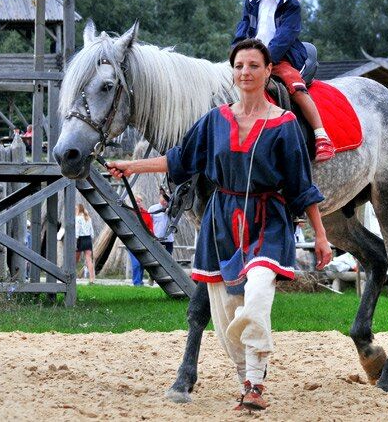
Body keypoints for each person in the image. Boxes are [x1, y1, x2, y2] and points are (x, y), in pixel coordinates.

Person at [105, 39, 331, 412]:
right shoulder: (215, 121)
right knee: (227, 314)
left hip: (266, 221)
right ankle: (248, 380)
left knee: (256, 299)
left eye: (254, 66)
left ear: (268, 71)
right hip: (219, 224)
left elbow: (301, 185)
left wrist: (320, 235)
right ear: (233, 72)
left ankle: (256, 383)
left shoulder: (286, 124)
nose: (246, 72)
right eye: (240, 66)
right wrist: (132, 166)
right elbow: (180, 160)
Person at [232, 0, 334, 163]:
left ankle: (320, 135)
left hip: (279, 57)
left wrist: (265, 59)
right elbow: (242, 30)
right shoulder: (251, 2)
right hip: (250, 57)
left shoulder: (291, 5)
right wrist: (237, 54)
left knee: (294, 86)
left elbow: (285, 37)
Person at [128, 194, 154, 286]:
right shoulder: (129, 213)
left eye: (139, 201)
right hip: (132, 241)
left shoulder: (146, 213)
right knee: (136, 264)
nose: (138, 203)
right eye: (136, 201)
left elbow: (151, 228)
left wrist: (151, 235)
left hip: (144, 241)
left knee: (142, 263)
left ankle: (140, 281)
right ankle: (136, 282)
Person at [75, 203, 95, 284]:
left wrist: (75, 240)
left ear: (78, 210)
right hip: (88, 239)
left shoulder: (77, 218)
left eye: (76, 209)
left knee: (75, 259)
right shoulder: (88, 218)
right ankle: (92, 279)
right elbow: (92, 231)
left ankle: (72, 276)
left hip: (80, 239)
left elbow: (77, 229)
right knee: (89, 260)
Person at [148, 190, 173, 254]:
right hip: (156, 239)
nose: (165, 202)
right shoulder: (152, 209)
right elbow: (148, 222)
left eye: (167, 200)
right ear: (160, 197)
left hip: (168, 240)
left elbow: (177, 223)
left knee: (168, 259)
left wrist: (170, 212)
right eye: (164, 199)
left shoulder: (173, 210)